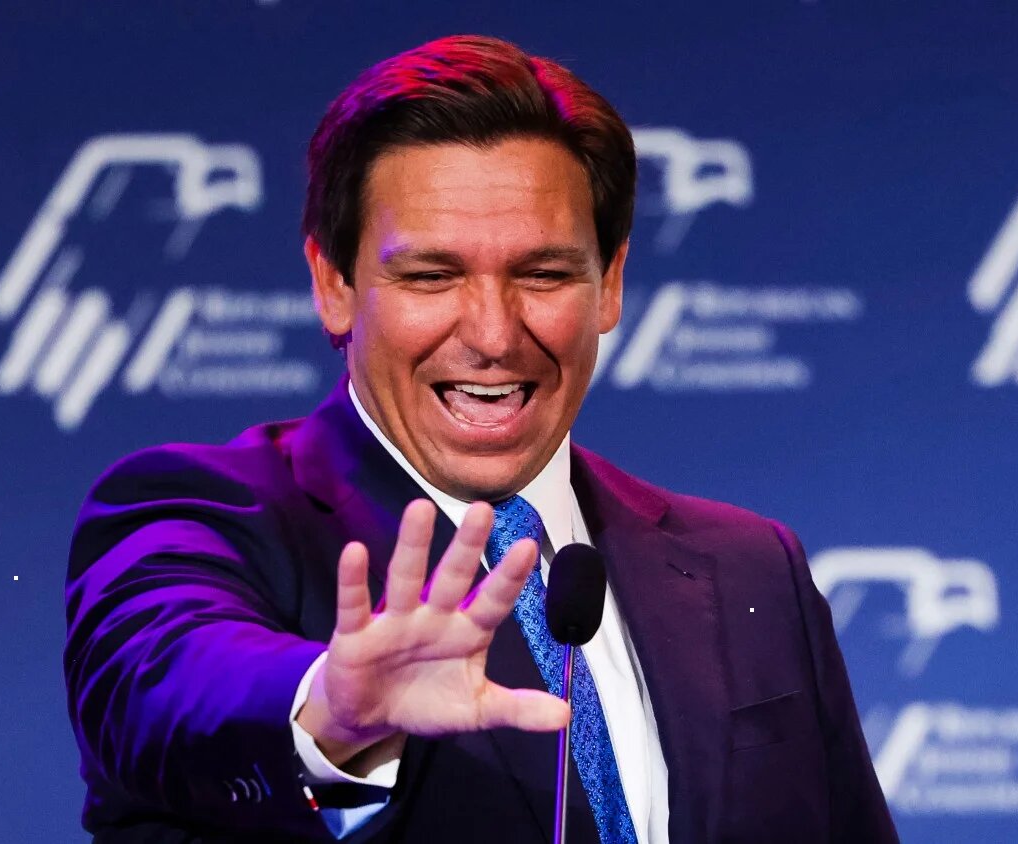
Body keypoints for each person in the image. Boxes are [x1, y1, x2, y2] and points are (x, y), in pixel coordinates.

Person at [63, 34, 897, 844]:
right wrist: (331, 708)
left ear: (608, 284)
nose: (495, 335)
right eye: (431, 275)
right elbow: (166, 683)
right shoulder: (203, 513)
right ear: (334, 286)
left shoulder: (752, 566)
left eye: (543, 274)